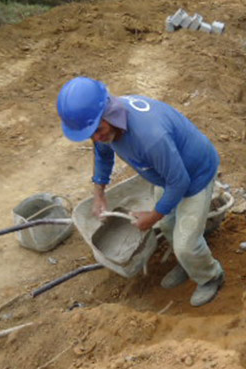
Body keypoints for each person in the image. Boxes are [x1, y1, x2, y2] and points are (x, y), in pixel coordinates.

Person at [56, 76, 225, 307]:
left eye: (99, 130)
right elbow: (102, 154)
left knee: (185, 243)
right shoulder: (105, 124)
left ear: (108, 112)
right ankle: (189, 264)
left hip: (195, 175)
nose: (97, 137)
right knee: (167, 225)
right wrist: (99, 193)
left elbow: (180, 182)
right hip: (168, 175)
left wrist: (152, 216)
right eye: (91, 134)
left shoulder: (150, 137)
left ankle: (210, 276)